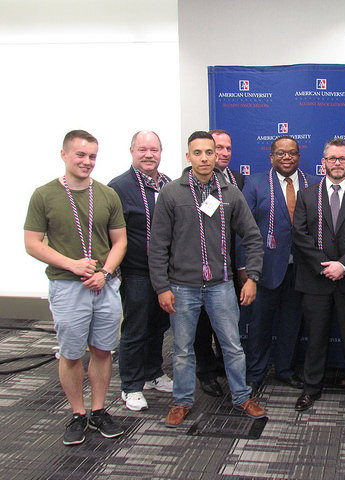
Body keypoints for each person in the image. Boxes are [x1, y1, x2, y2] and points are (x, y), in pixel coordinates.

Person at [148, 131, 265, 427]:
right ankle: (182, 401)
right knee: (183, 350)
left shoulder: (230, 193)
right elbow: (158, 245)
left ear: (216, 155)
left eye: (209, 152)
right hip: (181, 286)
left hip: (221, 285)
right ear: (188, 156)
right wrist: (161, 287)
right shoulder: (172, 193)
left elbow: (252, 237)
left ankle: (242, 396)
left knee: (232, 346)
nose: (204, 158)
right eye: (197, 153)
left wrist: (252, 277)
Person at [24, 130, 127, 445]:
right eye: (81, 155)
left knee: (102, 350)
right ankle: (78, 414)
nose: (87, 162)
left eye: (92, 156)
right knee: (70, 354)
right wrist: (72, 264)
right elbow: (32, 243)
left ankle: (98, 410)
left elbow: (120, 241)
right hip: (68, 286)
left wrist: (106, 273)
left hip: (104, 285)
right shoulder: (44, 195)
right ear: (64, 155)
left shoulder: (107, 194)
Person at [292, 138, 345, 417]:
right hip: (316, 281)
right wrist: (324, 266)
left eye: (342, 159)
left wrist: (343, 265)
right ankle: (311, 388)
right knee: (315, 338)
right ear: (323, 162)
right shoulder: (307, 195)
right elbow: (300, 236)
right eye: (332, 159)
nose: (337, 163)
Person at [241, 136, 319, 392]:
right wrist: (245, 269)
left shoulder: (314, 183)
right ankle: (255, 372)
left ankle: (285, 370)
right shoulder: (254, 183)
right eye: (281, 153)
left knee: (291, 323)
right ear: (271, 157)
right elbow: (243, 228)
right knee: (260, 324)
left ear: (299, 156)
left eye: (292, 153)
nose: (287, 157)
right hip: (265, 268)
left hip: (302, 269)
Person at [109, 131, 173, 412]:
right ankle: (131, 386)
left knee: (159, 325)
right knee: (135, 328)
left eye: (154, 149)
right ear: (132, 151)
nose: (149, 155)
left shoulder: (169, 184)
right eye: (143, 149)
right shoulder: (119, 188)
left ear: (161, 152)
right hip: (136, 272)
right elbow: (110, 233)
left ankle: (153, 373)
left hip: (166, 272)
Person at [193, 129, 244, 398]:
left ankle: (225, 365)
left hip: (229, 265)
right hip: (201, 269)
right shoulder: (192, 183)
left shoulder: (237, 179)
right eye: (217, 148)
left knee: (226, 322)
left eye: (227, 149)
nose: (223, 154)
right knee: (201, 325)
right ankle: (206, 372)